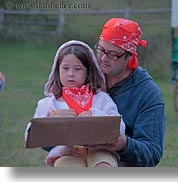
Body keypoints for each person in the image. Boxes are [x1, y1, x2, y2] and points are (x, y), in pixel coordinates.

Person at [25, 40, 125, 167]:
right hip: (66, 154)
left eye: (78, 69)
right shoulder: (48, 104)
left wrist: (95, 115)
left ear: (88, 71)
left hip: (101, 150)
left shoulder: (101, 99)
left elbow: (119, 127)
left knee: (104, 166)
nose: (71, 74)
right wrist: (50, 119)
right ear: (57, 69)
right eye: (65, 68)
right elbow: (29, 135)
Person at [91, 18, 166, 167]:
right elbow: (49, 143)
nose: (104, 58)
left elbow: (153, 153)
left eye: (113, 54)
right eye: (101, 50)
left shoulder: (148, 93)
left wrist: (124, 145)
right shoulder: (85, 75)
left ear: (130, 56)